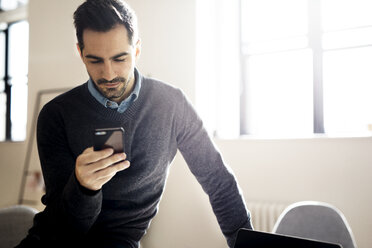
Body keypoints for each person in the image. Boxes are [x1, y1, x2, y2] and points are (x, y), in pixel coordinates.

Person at [17, 0, 252, 247]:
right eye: (95, 61)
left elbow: (219, 182)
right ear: (80, 52)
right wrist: (84, 188)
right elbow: (60, 231)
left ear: (137, 49)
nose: (108, 74)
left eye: (120, 58)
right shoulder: (56, 115)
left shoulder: (171, 105)